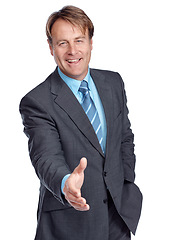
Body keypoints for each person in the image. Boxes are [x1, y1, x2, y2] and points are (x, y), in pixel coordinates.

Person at [19, 5, 142, 240]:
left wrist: (125, 181)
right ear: (51, 47)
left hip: (118, 216)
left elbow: (125, 137)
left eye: (79, 40)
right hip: (70, 222)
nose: (72, 51)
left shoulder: (113, 82)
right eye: (62, 42)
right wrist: (66, 184)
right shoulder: (37, 101)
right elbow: (45, 157)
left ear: (91, 42)